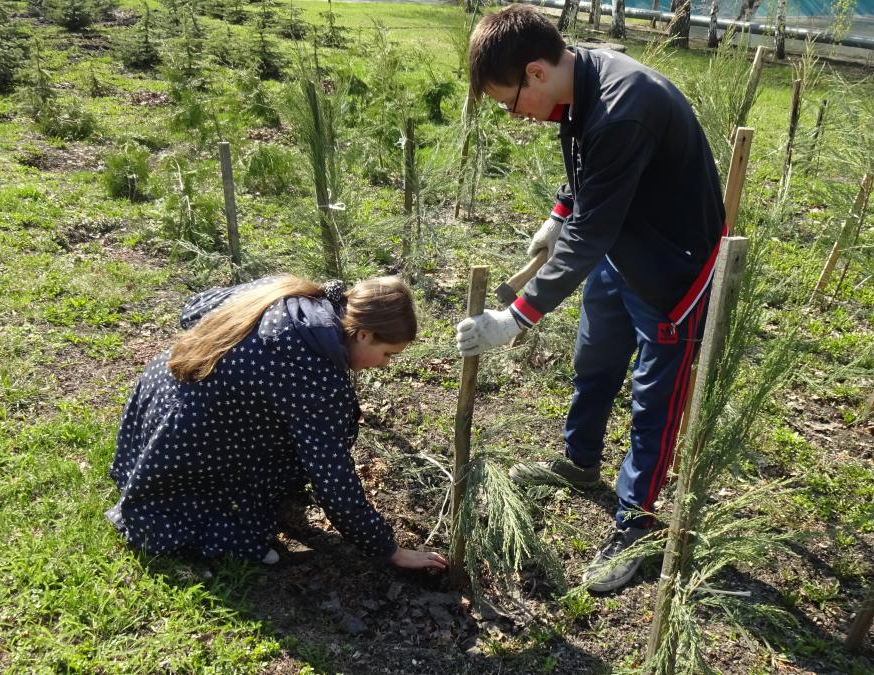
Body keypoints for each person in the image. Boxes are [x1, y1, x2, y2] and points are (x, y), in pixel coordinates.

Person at [456, 5, 725, 592]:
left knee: (653, 399)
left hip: (669, 266)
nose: (516, 115)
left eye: (509, 102)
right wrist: (560, 212)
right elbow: (587, 169)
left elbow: (593, 228)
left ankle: (637, 523)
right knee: (595, 359)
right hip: (619, 245)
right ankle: (580, 462)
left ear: (534, 72)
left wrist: (515, 317)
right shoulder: (577, 79)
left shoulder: (624, 108)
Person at [107, 275, 448, 571]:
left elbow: (194, 308)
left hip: (159, 393)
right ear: (363, 335)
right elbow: (332, 477)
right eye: (388, 353)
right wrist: (389, 550)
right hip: (188, 437)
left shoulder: (295, 294)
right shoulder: (315, 374)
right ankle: (203, 514)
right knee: (239, 523)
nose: (385, 365)